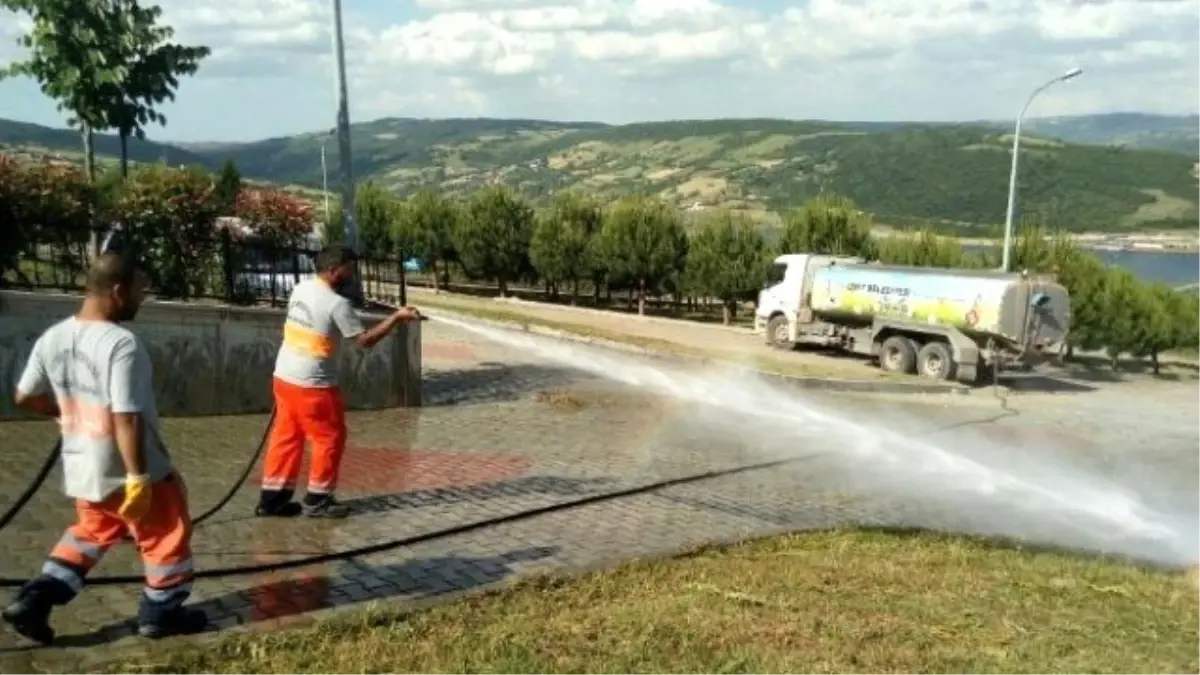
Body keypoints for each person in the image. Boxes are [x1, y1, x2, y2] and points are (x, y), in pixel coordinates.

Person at [4, 253, 205, 645]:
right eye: (139, 291)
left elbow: (24, 396)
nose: (142, 299)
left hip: (84, 468)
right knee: (166, 535)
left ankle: (34, 602)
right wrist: (138, 477)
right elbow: (125, 416)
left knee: (89, 536)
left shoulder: (54, 337)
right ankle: (161, 613)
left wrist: (65, 414)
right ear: (117, 291)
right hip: (128, 467)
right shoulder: (121, 344)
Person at [256, 245, 421, 519]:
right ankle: (317, 500)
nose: (353, 276)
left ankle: (272, 500)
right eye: (350, 270)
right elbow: (364, 341)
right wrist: (396, 318)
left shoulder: (301, 288)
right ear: (334, 270)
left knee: (287, 436)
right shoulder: (337, 304)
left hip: (284, 378)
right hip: (313, 386)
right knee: (329, 437)